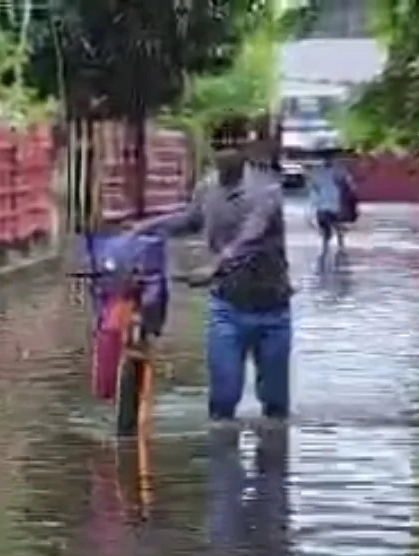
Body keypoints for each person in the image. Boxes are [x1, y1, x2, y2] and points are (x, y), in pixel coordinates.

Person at [136, 139, 293, 424]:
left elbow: (252, 235)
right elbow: (189, 220)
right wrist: (145, 228)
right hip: (227, 307)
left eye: (233, 145)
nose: (225, 153)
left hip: (273, 309)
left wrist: (216, 266)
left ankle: (273, 461)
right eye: (219, 145)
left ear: (245, 151)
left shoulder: (266, 190)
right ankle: (222, 460)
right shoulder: (207, 188)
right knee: (222, 400)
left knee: (275, 404)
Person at [307, 146, 358, 251]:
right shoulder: (340, 171)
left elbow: (312, 187)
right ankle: (340, 245)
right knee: (337, 225)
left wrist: (313, 202)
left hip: (322, 204)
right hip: (335, 203)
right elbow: (351, 185)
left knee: (326, 227)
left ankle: (326, 246)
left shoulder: (317, 172)